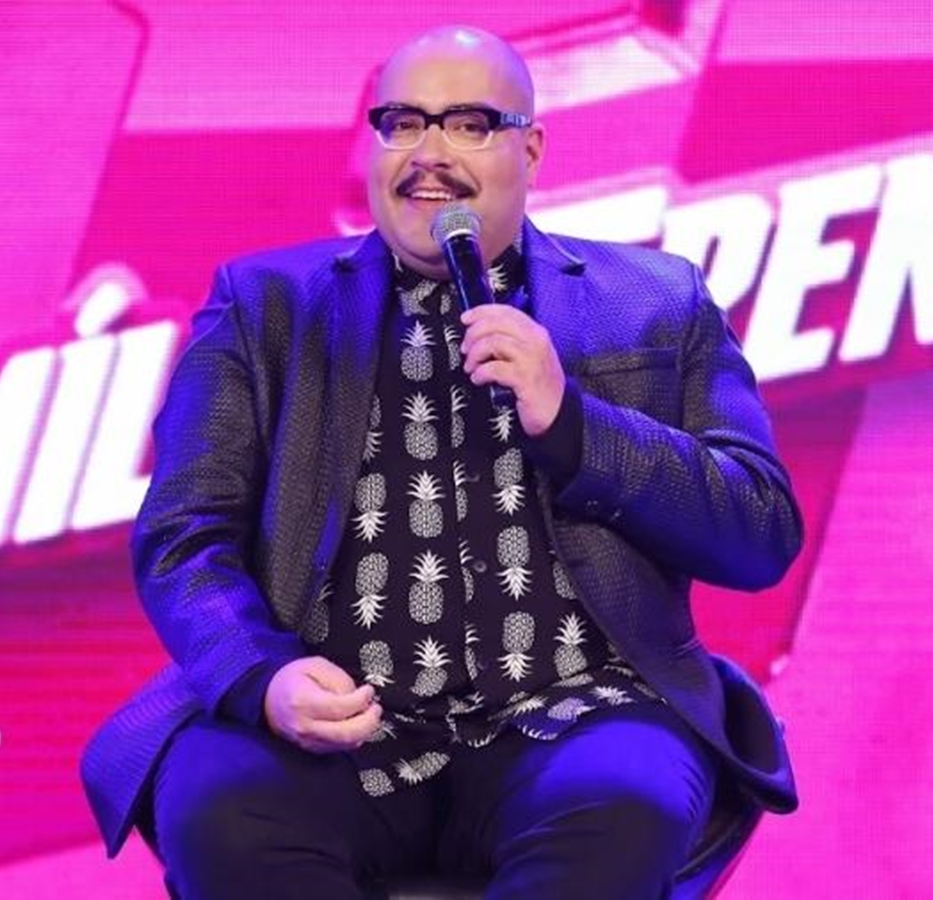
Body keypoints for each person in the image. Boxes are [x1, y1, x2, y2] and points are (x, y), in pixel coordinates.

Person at [81, 24, 803, 900]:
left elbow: (759, 531)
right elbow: (183, 538)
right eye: (402, 123)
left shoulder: (654, 300)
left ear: (530, 149)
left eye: (468, 124)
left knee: (625, 801)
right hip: (334, 731)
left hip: (580, 714)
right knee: (217, 809)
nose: (428, 154)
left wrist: (574, 423)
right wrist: (263, 679)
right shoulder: (263, 305)